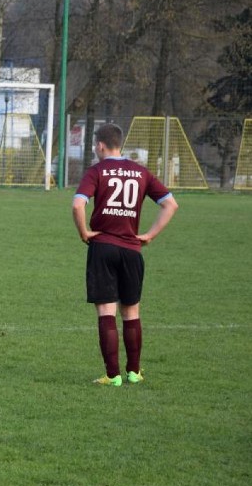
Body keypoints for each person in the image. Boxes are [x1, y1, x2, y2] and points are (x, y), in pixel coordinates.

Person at [72, 123, 178, 386]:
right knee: (131, 312)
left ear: (100, 145)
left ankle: (113, 375)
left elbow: (77, 204)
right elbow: (170, 204)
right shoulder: (140, 172)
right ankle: (134, 372)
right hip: (132, 250)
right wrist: (150, 235)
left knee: (106, 312)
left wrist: (84, 231)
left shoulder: (96, 170)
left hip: (103, 247)